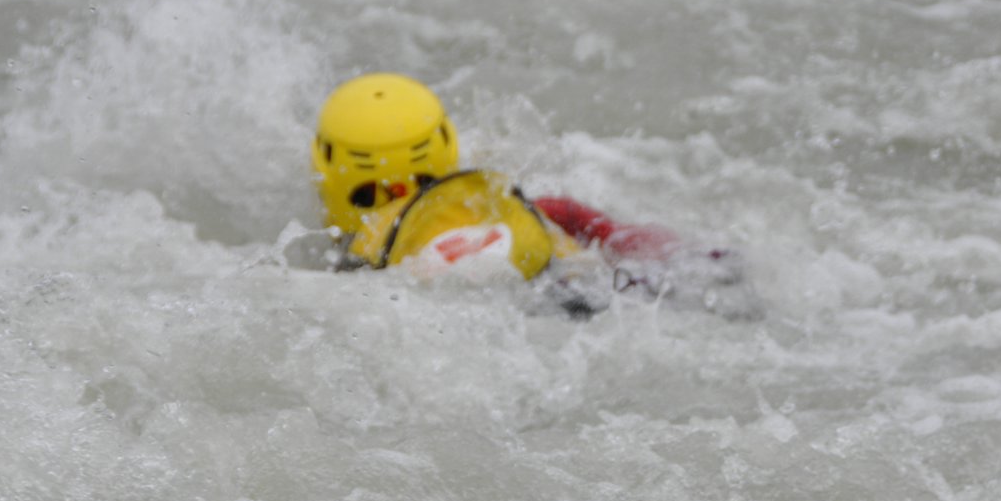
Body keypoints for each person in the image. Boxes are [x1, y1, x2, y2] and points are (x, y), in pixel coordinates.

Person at [304, 72, 756, 317]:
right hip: (596, 293)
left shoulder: (353, 272)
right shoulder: (537, 209)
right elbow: (648, 246)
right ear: (444, 147)